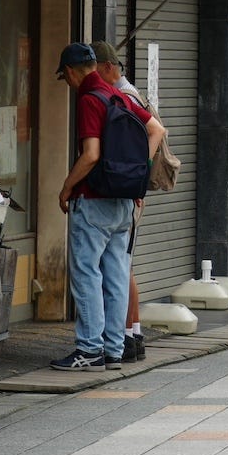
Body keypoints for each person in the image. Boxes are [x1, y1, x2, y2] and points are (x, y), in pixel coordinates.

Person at [54, 41, 165, 372]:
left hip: (94, 201)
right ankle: (115, 349)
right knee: (116, 274)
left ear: (72, 72)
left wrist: (66, 187)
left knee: (87, 273)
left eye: (65, 77)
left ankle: (89, 349)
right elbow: (156, 129)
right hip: (124, 202)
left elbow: (91, 155)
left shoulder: (90, 99)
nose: (68, 84)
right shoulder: (119, 95)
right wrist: (136, 170)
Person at [93, 41, 152, 366]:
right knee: (123, 266)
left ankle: (127, 336)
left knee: (119, 267)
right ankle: (132, 334)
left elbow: (155, 131)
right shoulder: (129, 92)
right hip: (131, 190)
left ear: (106, 67)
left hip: (125, 192)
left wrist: (135, 174)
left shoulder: (122, 96)